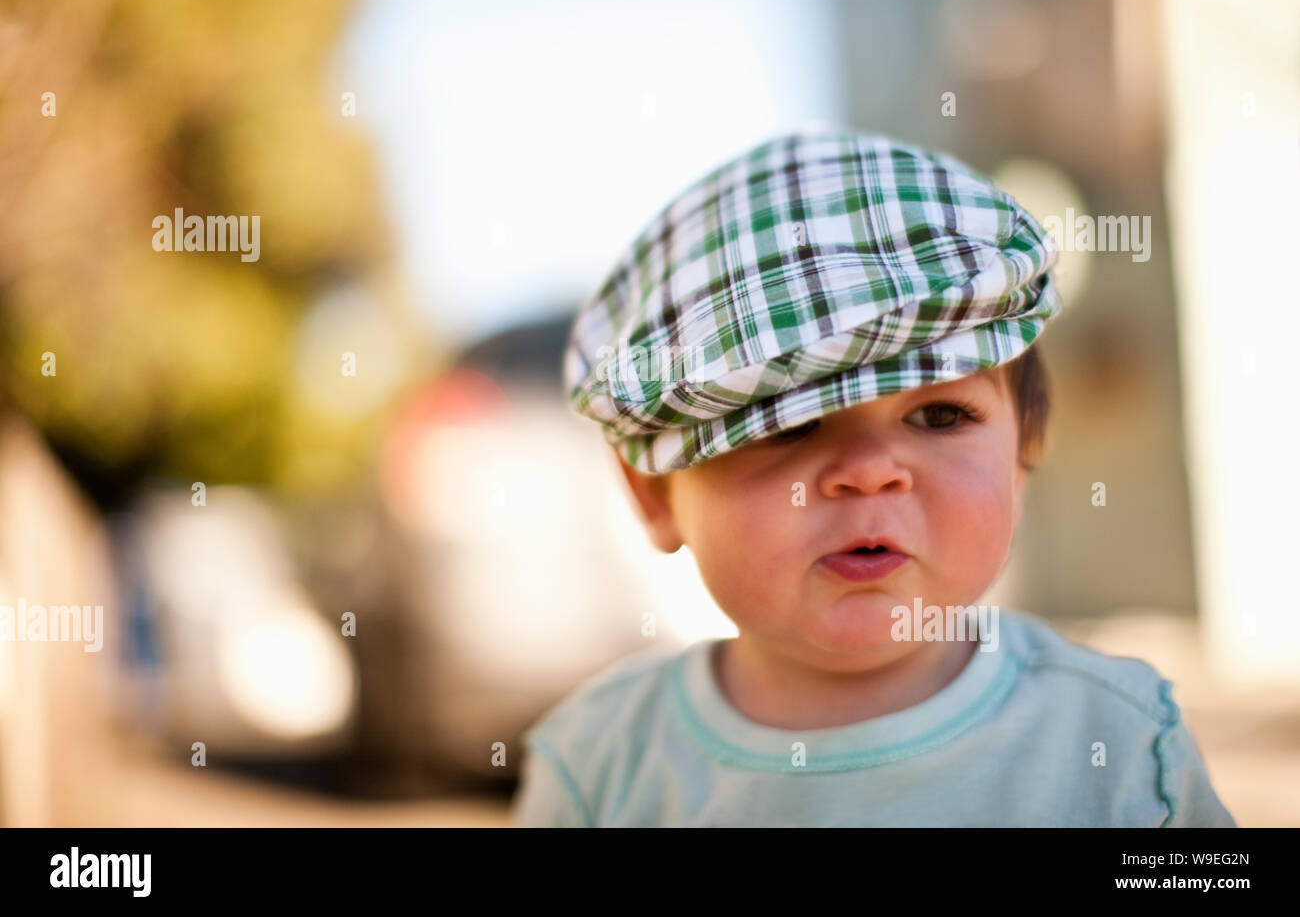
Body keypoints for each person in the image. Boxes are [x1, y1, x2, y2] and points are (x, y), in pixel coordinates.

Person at [511, 129, 1236, 827]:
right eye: (787, 426)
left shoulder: (1124, 746)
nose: (869, 473)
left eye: (941, 414)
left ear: (1025, 455)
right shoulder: (600, 769)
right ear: (653, 493)